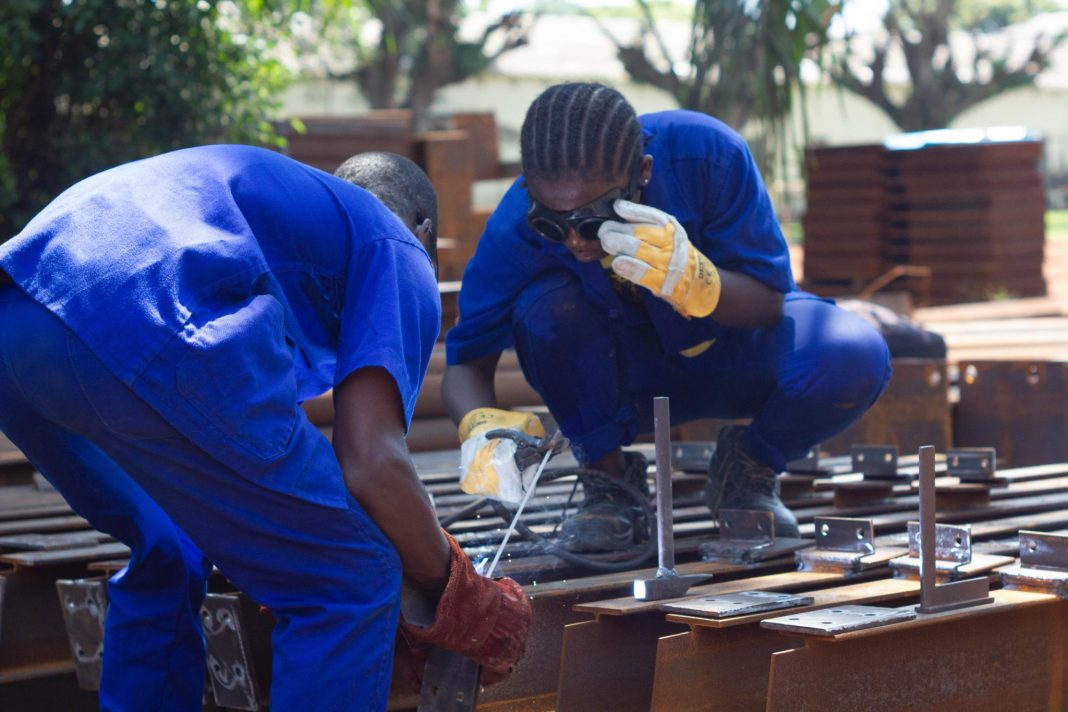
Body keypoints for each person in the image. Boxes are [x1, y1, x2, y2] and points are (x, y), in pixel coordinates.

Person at [0, 146, 529, 711]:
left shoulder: (290, 238)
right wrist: (459, 592)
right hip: (143, 313)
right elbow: (372, 462)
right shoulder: (397, 246)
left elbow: (245, 460)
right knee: (347, 577)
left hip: (21, 320)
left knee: (170, 542)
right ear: (425, 231)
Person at [443, 83, 892, 552]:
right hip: (622, 387)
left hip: (733, 357)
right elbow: (467, 360)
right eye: (553, 223)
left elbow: (770, 302)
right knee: (542, 309)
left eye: (593, 220)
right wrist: (479, 428)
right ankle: (610, 485)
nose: (575, 239)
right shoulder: (515, 222)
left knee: (850, 353)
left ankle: (748, 469)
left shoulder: (708, 157)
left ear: (643, 173)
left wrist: (702, 283)